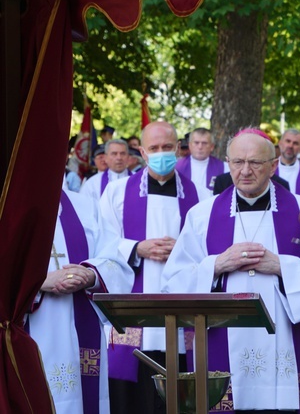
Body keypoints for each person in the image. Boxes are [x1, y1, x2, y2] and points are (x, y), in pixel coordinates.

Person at [162, 128, 300, 412]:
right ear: (227, 163)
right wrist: (217, 264)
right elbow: (174, 280)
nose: (245, 171)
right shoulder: (202, 214)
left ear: (273, 166)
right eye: (237, 162)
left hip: (284, 337)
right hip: (221, 339)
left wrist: (281, 266)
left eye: (255, 163)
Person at [98, 121, 199, 414]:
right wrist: (136, 248)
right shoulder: (117, 193)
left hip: (180, 314)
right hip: (132, 310)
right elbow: (102, 246)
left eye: (167, 147)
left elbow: (206, 250)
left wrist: (180, 250)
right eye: (153, 148)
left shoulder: (198, 196)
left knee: (177, 397)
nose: (161, 153)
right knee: (133, 398)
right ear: (141, 152)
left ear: (178, 149)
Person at [27, 189, 133, 414]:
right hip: (33, 329)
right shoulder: (9, 204)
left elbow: (116, 262)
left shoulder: (85, 206)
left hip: (82, 327)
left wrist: (91, 274)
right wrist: (39, 281)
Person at [175, 128, 229, 200]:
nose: (200, 147)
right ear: (190, 145)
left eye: (204, 143)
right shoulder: (176, 167)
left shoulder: (225, 167)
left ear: (212, 147)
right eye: (196, 143)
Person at [80, 139, 131, 203]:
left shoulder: (141, 180)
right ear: (106, 158)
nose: (119, 158)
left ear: (128, 157)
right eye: (114, 154)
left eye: (122, 153)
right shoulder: (92, 183)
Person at [276, 128, 300, 196]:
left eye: (295, 143)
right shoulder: (269, 169)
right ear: (280, 143)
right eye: (288, 141)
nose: (290, 146)